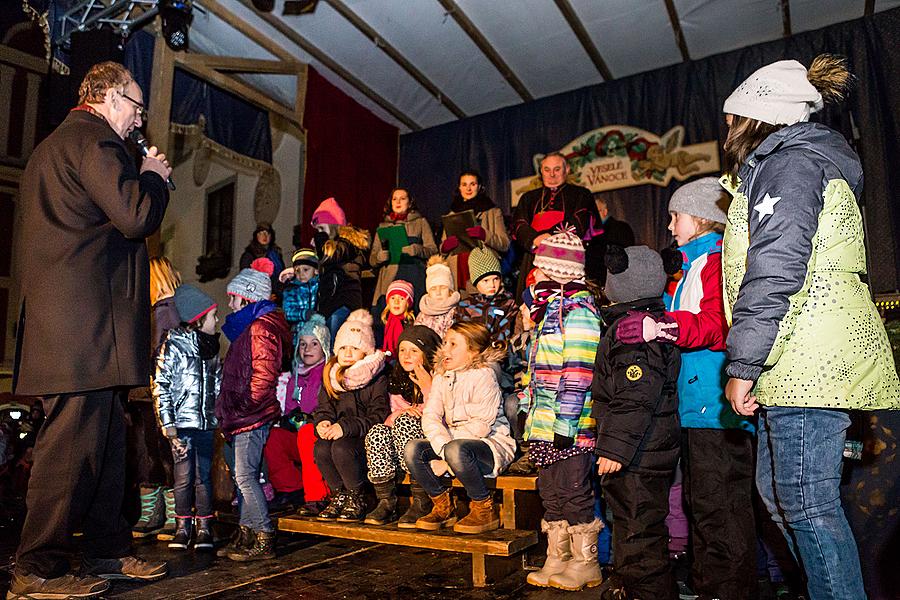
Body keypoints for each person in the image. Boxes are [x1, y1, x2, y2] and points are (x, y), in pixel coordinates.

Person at [719, 55, 900, 600]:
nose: (726, 127)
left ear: (756, 114)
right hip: (795, 353)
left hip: (808, 355)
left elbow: (775, 267)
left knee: (805, 500)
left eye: (732, 116)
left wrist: (744, 364)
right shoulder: (787, 164)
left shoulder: (791, 165)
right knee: (781, 496)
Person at [10, 61, 171, 598]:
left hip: (77, 330)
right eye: (136, 105)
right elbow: (134, 215)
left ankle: (106, 549)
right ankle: (37, 566)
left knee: (104, 446)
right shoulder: (95, 141)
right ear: (106, 97)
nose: (138, 118)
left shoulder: (55, 146)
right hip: (82, 330)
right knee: (70, 451)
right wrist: (152, 175)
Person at [618, 177, 756, 599]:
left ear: (700, 218)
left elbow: (720, 325)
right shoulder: (689, 268)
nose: (670, 226)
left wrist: (666, 326)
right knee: (701, 505)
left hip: (717, 406)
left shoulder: (716, 264)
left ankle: (729, 589)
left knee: (722, 509)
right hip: (694, 405)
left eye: (675, 217)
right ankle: (706, 584)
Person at [593, 245, 682, 600]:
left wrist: (615, 448)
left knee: (639, 537)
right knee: (635, 530)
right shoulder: (643, 325)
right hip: (644, 449)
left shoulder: (633, 335)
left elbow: (635, 395)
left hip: (638, 454)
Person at [518, 228, 603, 591]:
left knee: (572, 490)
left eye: (539, 267)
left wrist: (565, 423)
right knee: (551, 493)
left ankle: (586, 564)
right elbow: (537, 370)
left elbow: (579, 370)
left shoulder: (579, 310)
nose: (533, 274)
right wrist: (525, 407)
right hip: (544, 422)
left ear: (558, 271)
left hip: (571, 425)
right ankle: (558, 557)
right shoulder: (550, 309)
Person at [404, 322, 515, 534]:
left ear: (472, 352)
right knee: (413, 449)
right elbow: (431, 416)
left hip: (489, 445)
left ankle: (484, 507)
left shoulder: (484, 375)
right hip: (453, 443)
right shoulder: (441, 375)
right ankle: (443, 506)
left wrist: (446, 457)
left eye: (453, 344)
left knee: (456, 450)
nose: (445, 349)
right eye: (445, 342)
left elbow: (481, 425)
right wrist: (442, 446)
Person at [216, 259, 292, 562]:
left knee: (246, 477)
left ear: (246, 297)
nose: (230, 304)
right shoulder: (250, 327)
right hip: (243, 415)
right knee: (243, 476)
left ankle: (263, 536)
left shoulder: (260, 328)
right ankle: (246, 534)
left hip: (252, 414)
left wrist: (244, 405)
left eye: (233, 298)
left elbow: (263, 373)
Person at [152, 284, 221, 552]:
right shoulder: (173, 346)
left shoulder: (212, 349)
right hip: (181, 426)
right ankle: (182, 526)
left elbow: (217, 383)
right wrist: (168, 425)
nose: (217, 321)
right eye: (213, 316)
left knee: (204, 476)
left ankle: (204, 526)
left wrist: (218, 415)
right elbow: (161, 385)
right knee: (183, 477)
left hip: (205, 424)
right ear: (198, 319)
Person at [313, 310, 390, 522]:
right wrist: (323, 421)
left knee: (341, 447)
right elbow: (324, 406)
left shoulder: (376, 377)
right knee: (320, 447)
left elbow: (379, 414)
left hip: (364, 436)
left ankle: (358, 496)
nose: (347, 353)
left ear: (365, 352)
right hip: (341, 432)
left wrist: (345, 427)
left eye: (354, 348)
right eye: (344, 347)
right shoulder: (332, 375)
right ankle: (340, 495)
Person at [363, 325, 442, 526]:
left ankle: (421, 499)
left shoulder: (439, 377)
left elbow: (441, 411)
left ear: (427, 353)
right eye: (403, 350)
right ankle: (386, 501)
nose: (406, 355)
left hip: (431, 445)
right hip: (401, 446)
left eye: (414, 351)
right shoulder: (397, 378)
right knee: (377, 432)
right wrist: (400, 413)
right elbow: (390, 415)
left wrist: (426, 386)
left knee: (407, 421)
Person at [266, 314, 332, 514]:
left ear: (324, 347)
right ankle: (290, 489)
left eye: (314, 344)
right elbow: (290, 409)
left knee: (306, 434)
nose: (307, 349)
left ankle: (317, 496)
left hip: (320, 434)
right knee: (273, 437)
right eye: (302, 344)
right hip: (299, 432)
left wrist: (307, 419)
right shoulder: (295, 375)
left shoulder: (327, 373)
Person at [512, 153, 598, 297]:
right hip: (534, 255)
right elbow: (519, 223)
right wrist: (535, 239)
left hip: (568, 258)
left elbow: (580, 221)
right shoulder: (528, 198)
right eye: (547, 169)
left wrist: (549, 239)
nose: (552, 174)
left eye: (557, 169)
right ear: (541, 171)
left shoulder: (581, 194)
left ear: (567, 169)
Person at [439, 171, 510, 293]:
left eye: (472, 184)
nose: (468, 188)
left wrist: (485, 235)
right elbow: (442, 250)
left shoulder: (492, 212)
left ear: (479, 187)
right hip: (458, 271)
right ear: (459, 187)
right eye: (464, 184)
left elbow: (505, 244)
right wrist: (445, 247)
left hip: (484, 272)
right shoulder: (452, 214)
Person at [370, 188, 438, 306]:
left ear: (410, 202)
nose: (398, 202)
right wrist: (380, 257)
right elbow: (372, 259)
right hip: (389, 279)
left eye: (402, 198)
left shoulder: (420, 222)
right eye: (394, 199)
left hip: (414, 276)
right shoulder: (383, 226)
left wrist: (417, 249)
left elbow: (433, 250)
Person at [583, 195, 635, 285]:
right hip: (595, 283)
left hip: (614, 282)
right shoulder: (588, 233)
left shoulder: (620, 228)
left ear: (605, 211)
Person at [280, 248, 320, 346]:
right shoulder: (292, 289)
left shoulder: (320, 287)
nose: (301, 274)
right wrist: (304, 314)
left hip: (318, 334)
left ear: (316, 271)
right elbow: (287, 312)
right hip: (299, 335)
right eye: (297, 270)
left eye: (306, 270)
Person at [414, 256, 460, 338]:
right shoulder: (423, 314)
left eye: (443, 287)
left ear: (450, 290)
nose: (438, 292)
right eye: (433, 289)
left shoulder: (456, 312)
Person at [239, 222, 285, 295]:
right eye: (261, 233)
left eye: (267, 233)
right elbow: (245, 279)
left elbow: (282, 275)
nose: (265, 236)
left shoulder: (276, 254)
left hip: (277, 295)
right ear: (256, 236)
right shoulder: (249, 255)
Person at [380, 280, 415, 357]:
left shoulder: (410, 324)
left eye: (401, 299)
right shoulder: (384, 321)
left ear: (408, 303)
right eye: (393, 298)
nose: (396, 302)